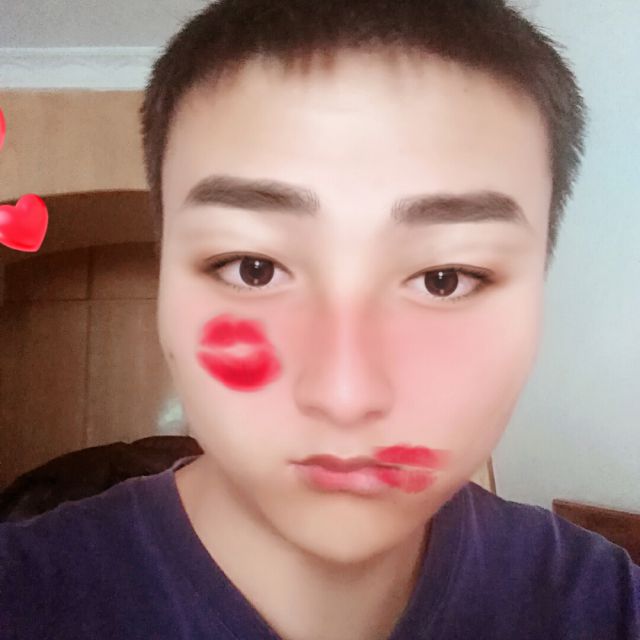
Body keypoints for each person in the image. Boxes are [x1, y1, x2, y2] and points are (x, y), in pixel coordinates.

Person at [1, 1, 638, 638]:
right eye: (253, 268)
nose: (345, 395)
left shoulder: (604, 607)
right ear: (164, 276)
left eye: (444, 278)